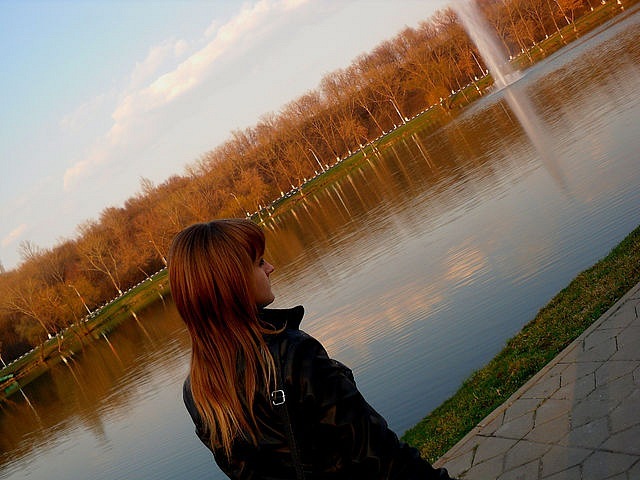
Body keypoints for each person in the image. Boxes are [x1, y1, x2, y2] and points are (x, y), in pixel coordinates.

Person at [169, 219, 456, 479]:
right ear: (233, 282)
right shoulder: (293, 355)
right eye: (259, 262)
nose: (270, 268)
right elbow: (377, 453)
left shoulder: (198, 391)